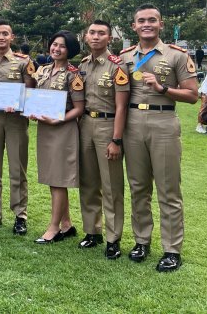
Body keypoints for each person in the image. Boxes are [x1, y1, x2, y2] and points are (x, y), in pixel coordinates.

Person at [120, 4, 198, 272]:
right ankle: (142, 241)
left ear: (161, 25)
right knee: (138, 187)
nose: (147, 24)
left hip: (163, 122)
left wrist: (163, 88)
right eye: (141, 20)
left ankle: (172, 249)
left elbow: (192, 95)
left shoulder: (177, 55)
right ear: (134, 26)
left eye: (152, 20)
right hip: (132, 124)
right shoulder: (125, 57)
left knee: (168, 190)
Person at [0, 19, 36, 236]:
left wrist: (19, 103)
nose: (1, 37)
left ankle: (20, 215)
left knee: (17, 169)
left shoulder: (23, 61)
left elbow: (31, 92)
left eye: (5, 34)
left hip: (16, 121)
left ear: (12, 37)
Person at [77, 20, 129, 259]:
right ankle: (92, 231)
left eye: (101, 33)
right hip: (85, 125)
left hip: (108, 126)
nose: (96, 37)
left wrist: (116, 140)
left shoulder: (117, 66)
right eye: (92, 33)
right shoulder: (83, 65)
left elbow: (121, 107)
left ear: (110, 38)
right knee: (88, 183)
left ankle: (113, 238)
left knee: (111, 186)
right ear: (86, 37)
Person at [30, 30, 85, 244]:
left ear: (69, 50)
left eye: (61, 46)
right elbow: (35, 96)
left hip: (63, 129)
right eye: (54, 44)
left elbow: (79, 108)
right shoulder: (42, 70)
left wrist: (58, 119)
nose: (56, 49)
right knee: (53, 177)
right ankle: (66, 224)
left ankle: (53, 228)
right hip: (45, 129)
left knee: (58, 179)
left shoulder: (74, 74)